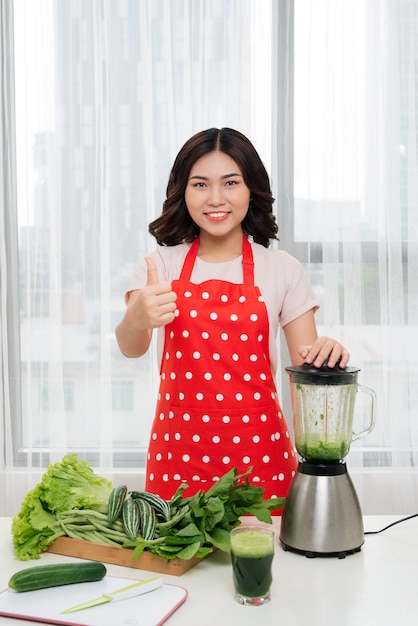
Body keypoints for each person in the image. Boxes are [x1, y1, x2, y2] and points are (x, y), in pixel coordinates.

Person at [115, 127, 350, 503]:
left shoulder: (281, 268)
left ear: (250, 189)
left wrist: (328, 351)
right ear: (183, 191)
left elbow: (307, 364)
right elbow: (131, 348)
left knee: (262, 561)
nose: (216, 198)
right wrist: (135, 318)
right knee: (184, 557)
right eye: (200, 184)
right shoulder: (161, 264)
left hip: (261, 453)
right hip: (180, 455)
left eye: (230, 182)